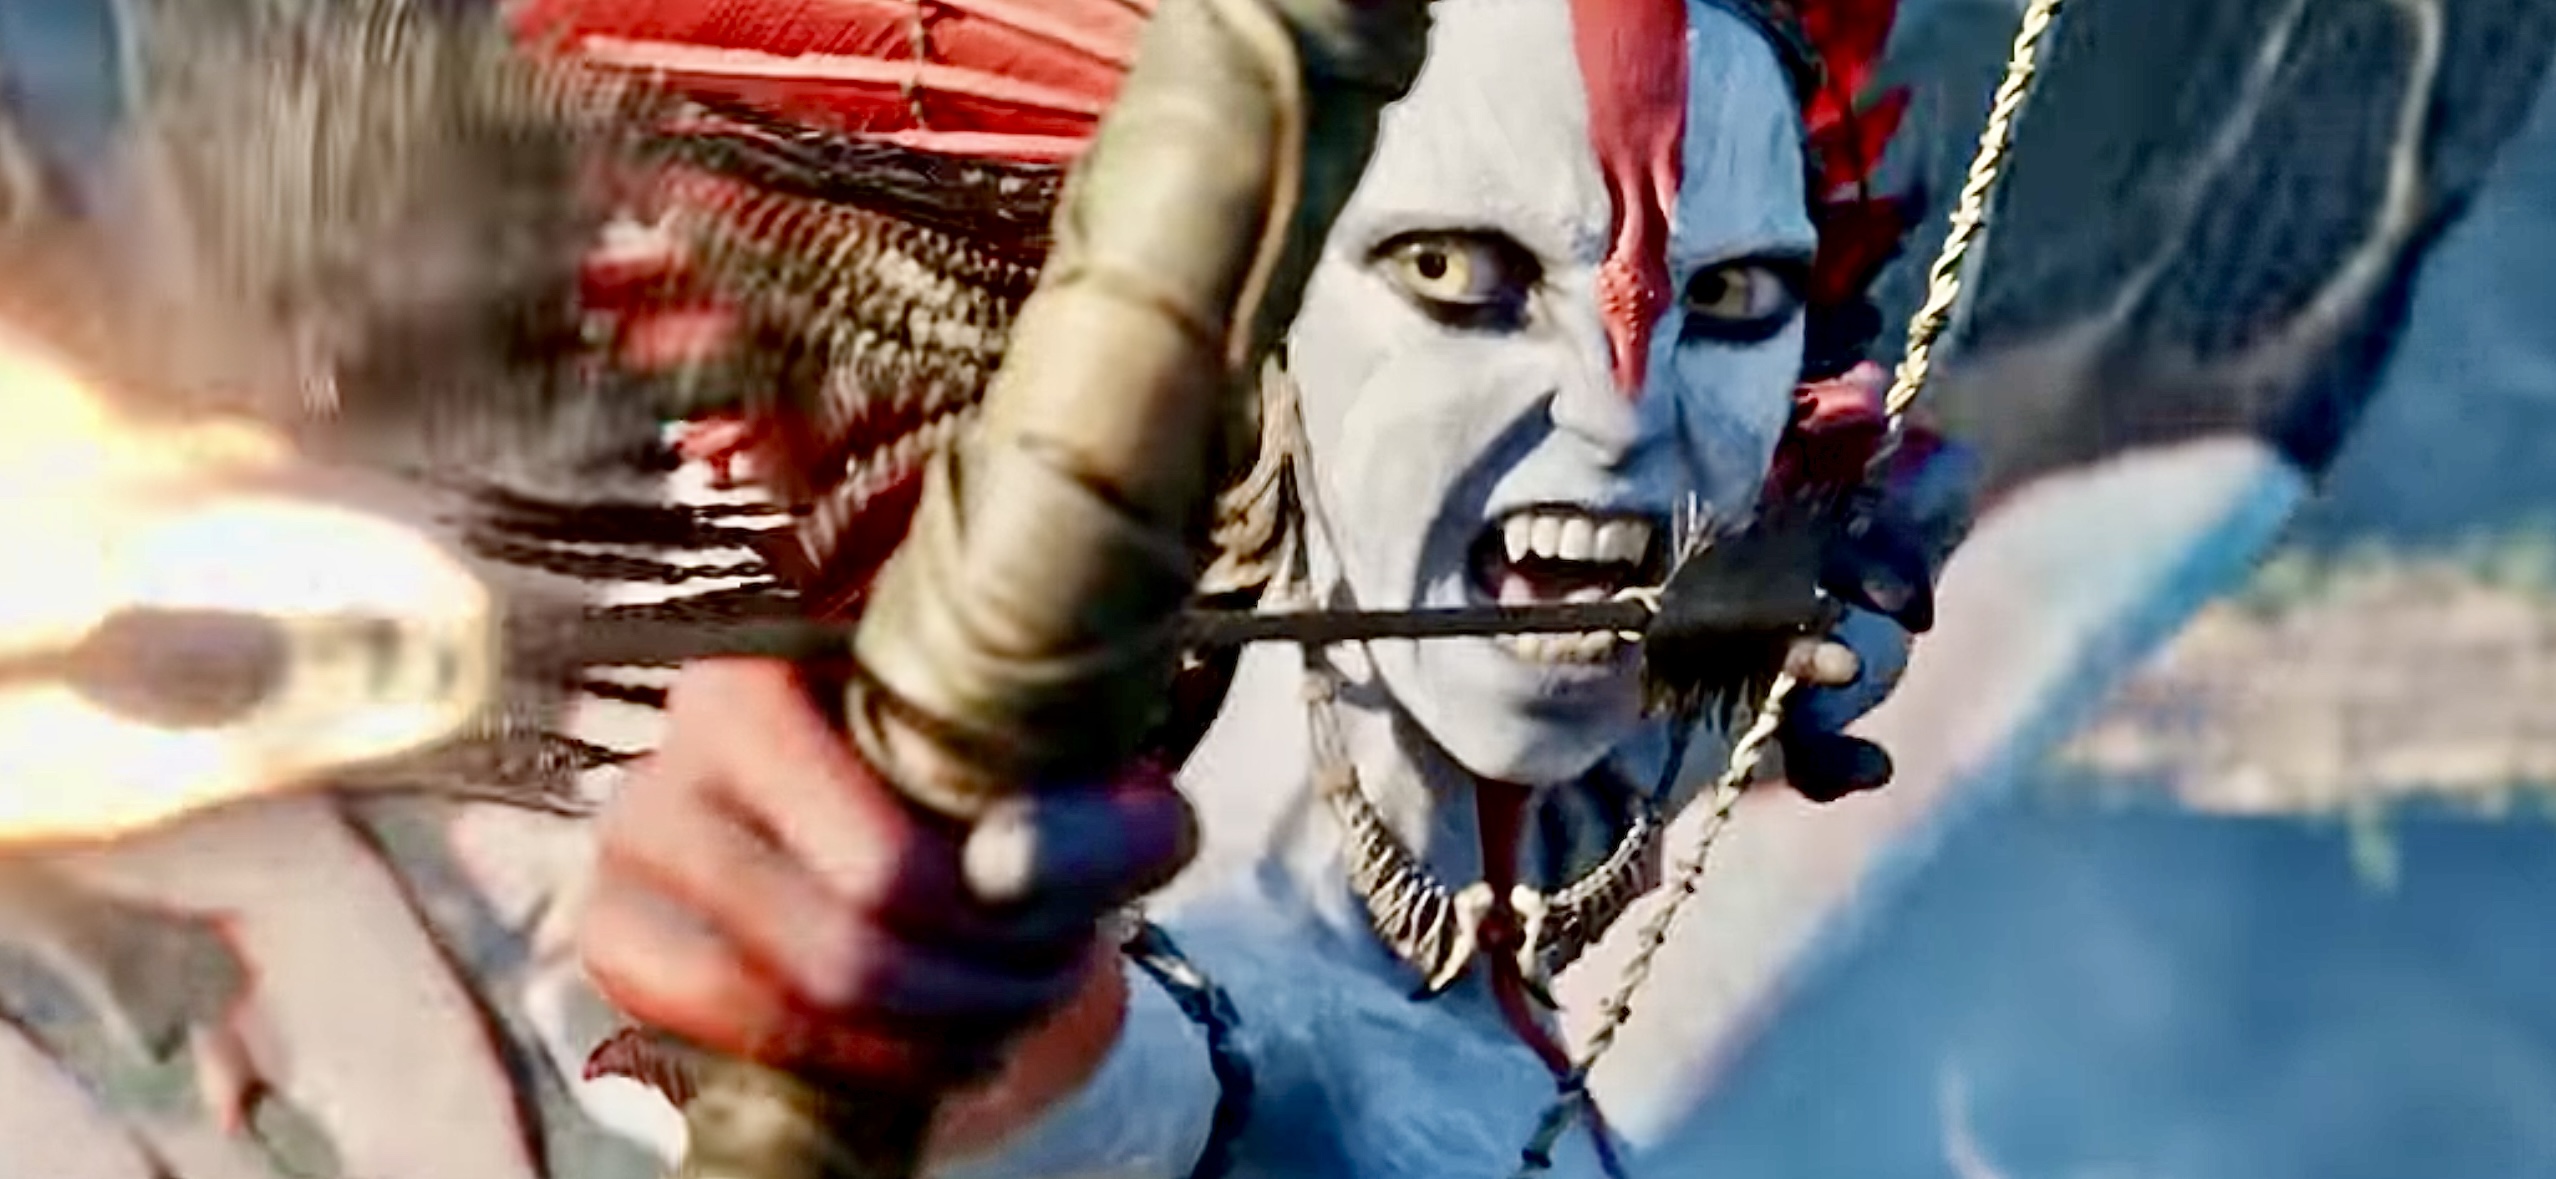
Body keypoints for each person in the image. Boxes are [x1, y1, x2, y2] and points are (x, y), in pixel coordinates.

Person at [571, 0, 1970, 1175]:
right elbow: (1058, 1080)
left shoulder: (1475, 992)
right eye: (1454, 270)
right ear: (1260, 359)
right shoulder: (1222, 1045)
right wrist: (892, 959)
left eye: (1727, 301)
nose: (1621, 417)